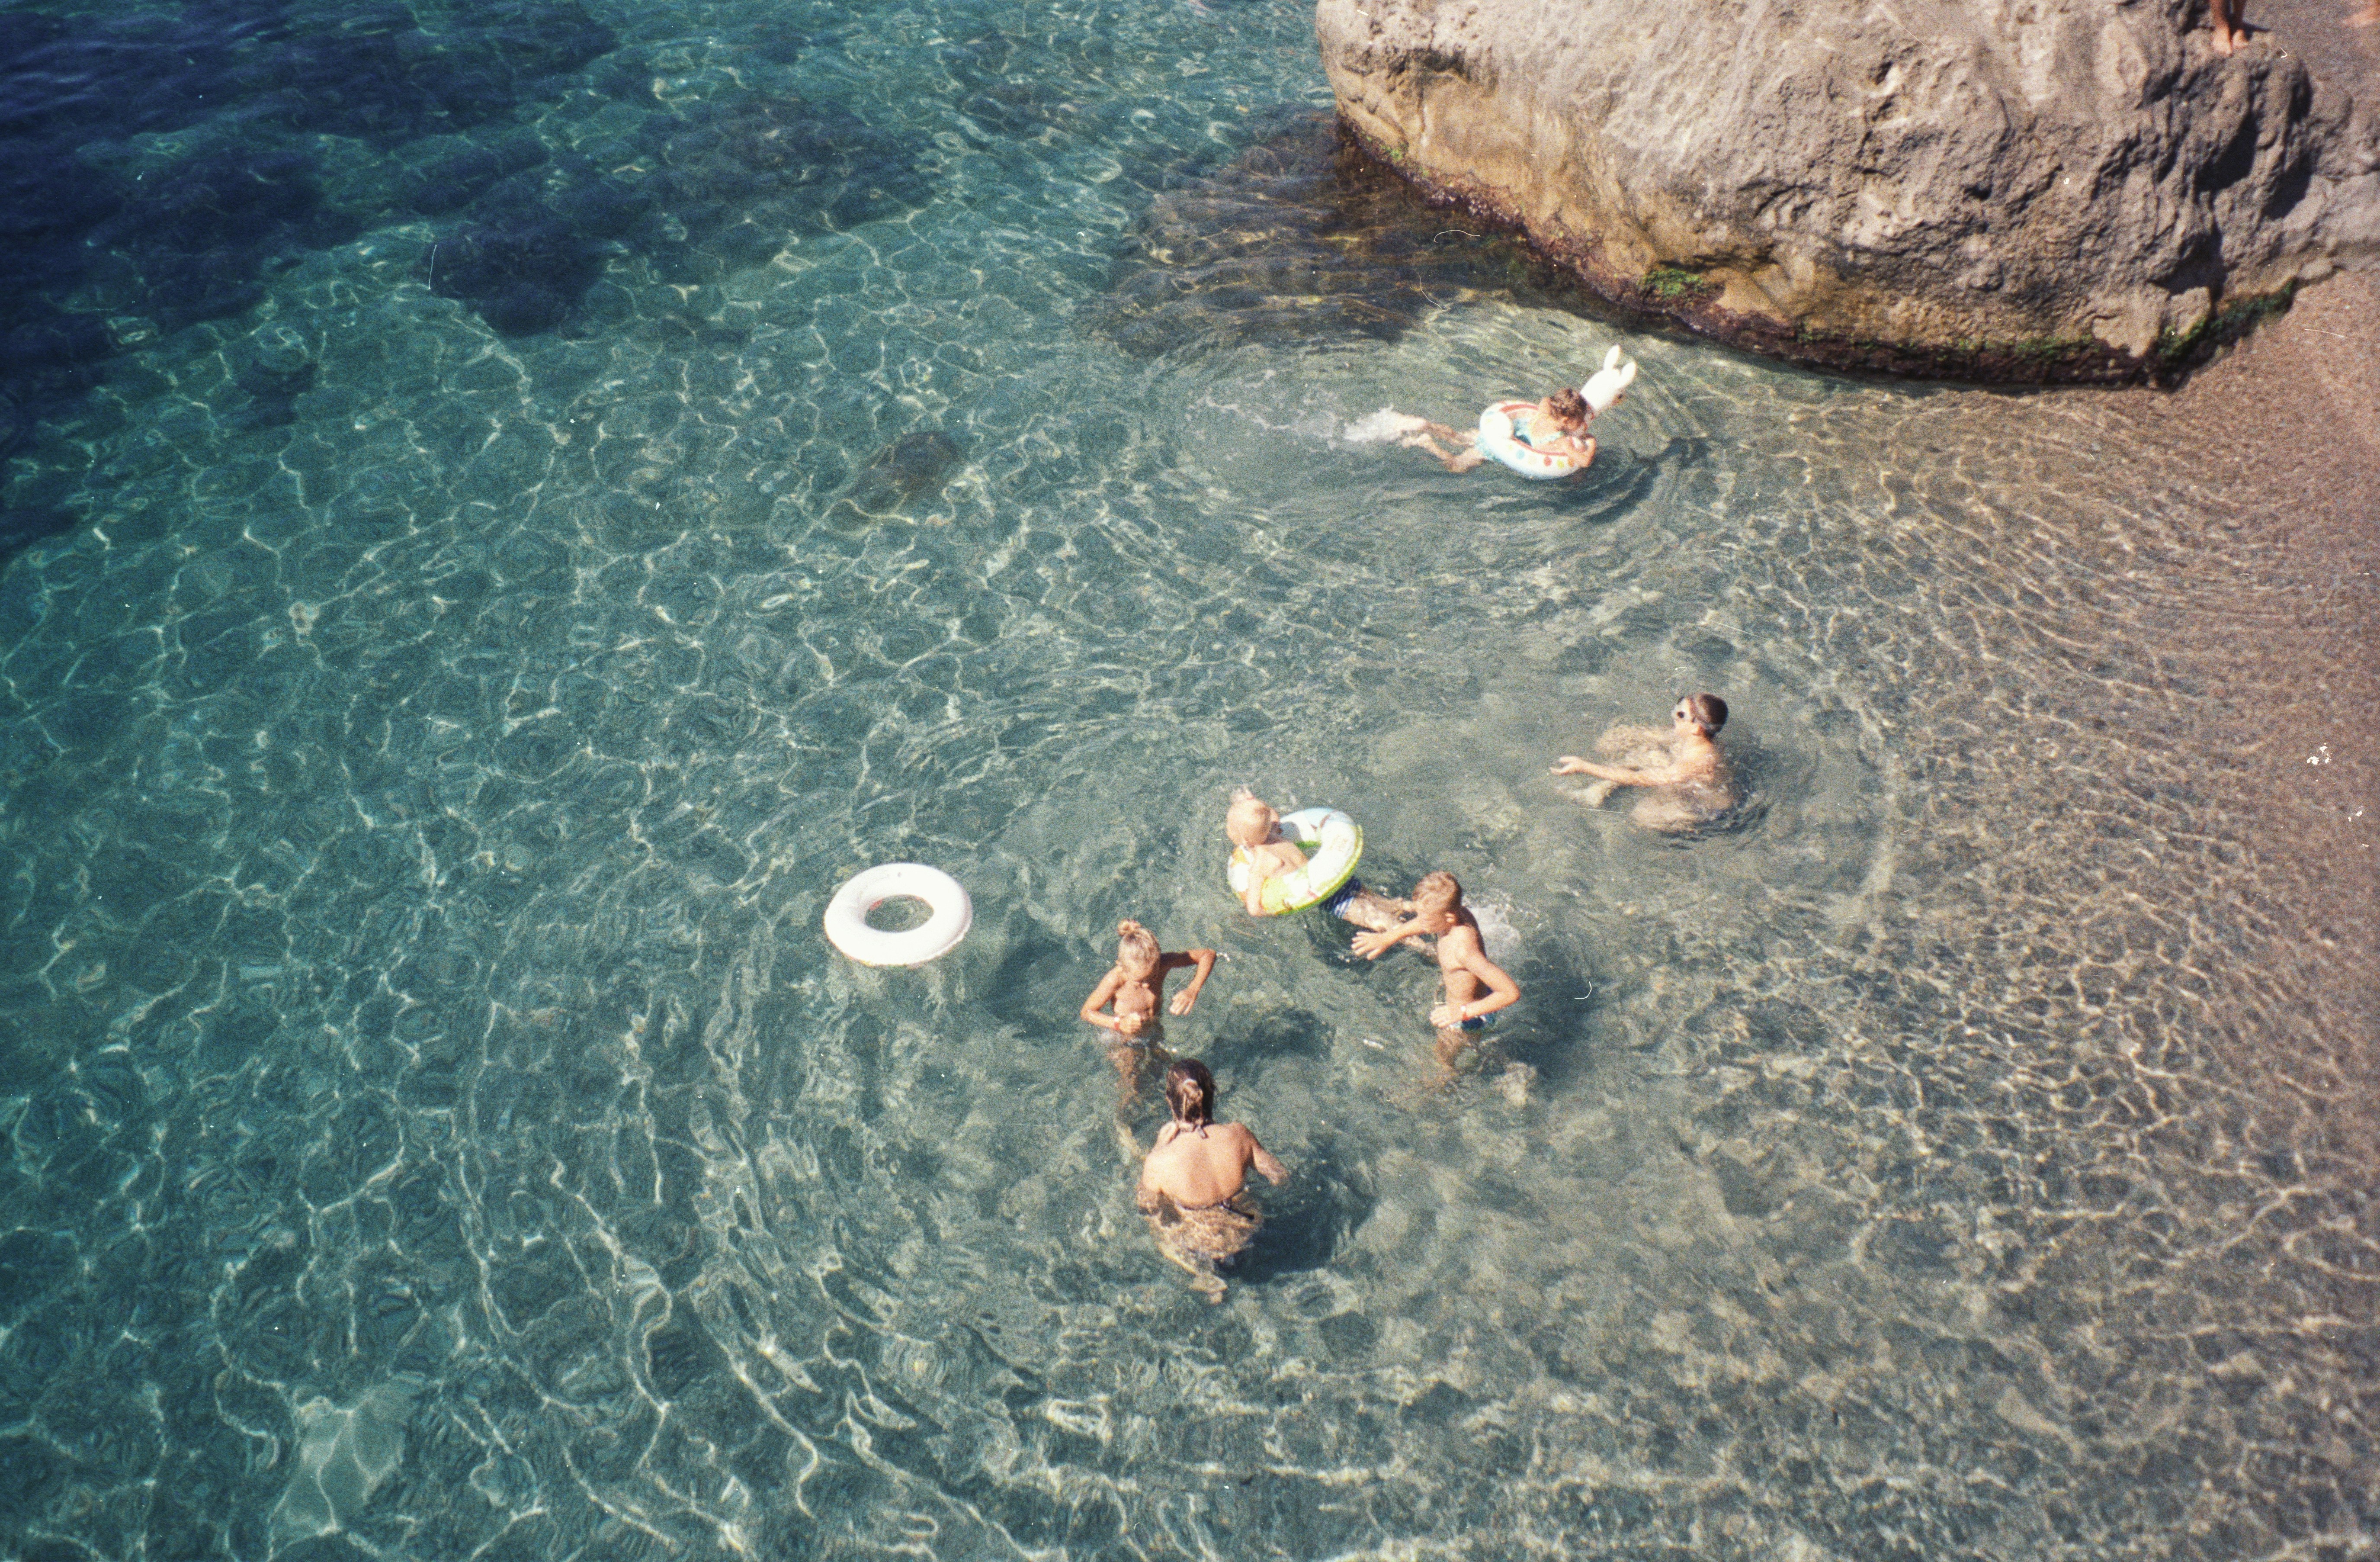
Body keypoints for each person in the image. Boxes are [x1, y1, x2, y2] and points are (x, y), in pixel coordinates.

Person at [1349, 871, 1522, 1085]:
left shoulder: (1464, 951)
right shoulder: (1455, 915)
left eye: (1425, 918)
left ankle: (1440, 1088)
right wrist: (1388, 937)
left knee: (1441, 1058)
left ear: (1448, 918)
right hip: (1470, 999)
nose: (1420, 922)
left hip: (1468, 1019)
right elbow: (1424, 923)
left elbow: (1511, 992)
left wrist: (1461, 1012)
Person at [1136, 1060, 1288, 1301]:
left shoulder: (1160, 1161)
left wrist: (1157, 1148)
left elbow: (1146, 1205)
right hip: (1249, 1233)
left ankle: (1206, 1278)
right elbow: (1279, 1177)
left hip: (1203, 1248)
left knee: (1158, 1228)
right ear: (1212, 1094)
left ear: (1169, 1101)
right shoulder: (1239, 1133)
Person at [1552, 693, 1737, 833]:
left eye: (1681, 715)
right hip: (1687, 782)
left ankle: (1690, 831)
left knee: (1642, 816)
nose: (1674, 715)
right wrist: (1626, 736)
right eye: (1677, 706)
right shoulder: (1697, 740)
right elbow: (1659, 735)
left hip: (1707, 809)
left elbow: (1640, 779)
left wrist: (1585, 767)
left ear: (1696, 728)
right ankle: (1600, 789)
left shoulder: (1695, 763)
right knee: (1645, 754)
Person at [1225, 788, 1406, 929]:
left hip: (1326, 896)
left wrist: (1277, 910)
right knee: (1386, 905)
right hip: (1337, 875)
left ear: (1244, 840)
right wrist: (1251, 801)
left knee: (1380, 922)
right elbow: (1271, 814)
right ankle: (1413, 909)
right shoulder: (1276, 831)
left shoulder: (1260, 864)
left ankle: (1418, 945)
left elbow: (1254, 910)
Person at [1081, 920, 1213, 1106]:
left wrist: (1193, 990)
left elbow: (1208, 954)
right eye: (1139, 981)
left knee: (1164, 1074)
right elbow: (1087, 1012)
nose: (1147, 985)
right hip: (1125, 1040)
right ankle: (1123, 1119)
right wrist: (1118, 1023)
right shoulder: (1115, 980)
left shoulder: (1163, 963)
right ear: (1121, 966)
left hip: (1153, 1030)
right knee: (1132, 1087)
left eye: (1152, 977)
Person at [1400, 386, 1597, 475]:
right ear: (1565, 420)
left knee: (1459, 437)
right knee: (1455, 467)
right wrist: (1591, 441)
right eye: (1580, 420)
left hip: (1493, 434)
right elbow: (1585, 462)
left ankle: (1427, 426)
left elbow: (1548, 400)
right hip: (1492, 451)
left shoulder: (1545, 409)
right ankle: (1428, 443)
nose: (1582, 424)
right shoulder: (1560, 441)